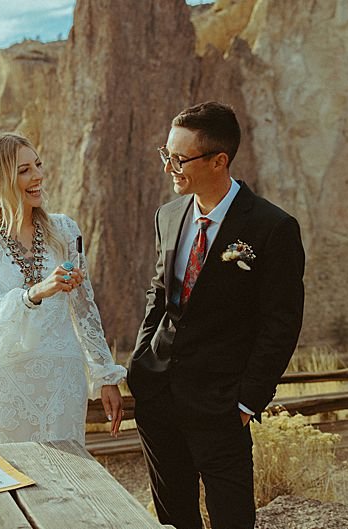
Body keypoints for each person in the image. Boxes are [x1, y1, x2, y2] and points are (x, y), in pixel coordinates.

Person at [130, 101, 304, 529]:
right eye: (165, 154)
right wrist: (140, 365)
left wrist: (247, 401)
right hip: (158, 396)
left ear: (219, 160)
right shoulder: (168, 216)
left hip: (223, 406)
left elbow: (280, 324)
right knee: (173, 520)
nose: (169, 166)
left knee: (232, 519)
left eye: (179, 158)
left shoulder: (272, 227)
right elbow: (159, 296)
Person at [0, 132, 126, 447]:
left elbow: (85, 309)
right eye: (24, 170)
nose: (38, 176)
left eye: (37, 165)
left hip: (63, 378)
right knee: (13, 480)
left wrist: (105, 376)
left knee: (68, 479)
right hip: (6, 382)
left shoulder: (64, 230)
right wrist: (35, 293)